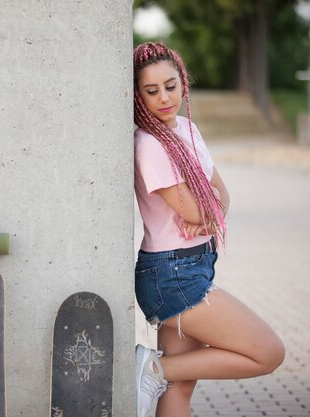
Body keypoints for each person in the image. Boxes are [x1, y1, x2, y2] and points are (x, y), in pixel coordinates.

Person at [132, 42, 285, 417]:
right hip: (172, 275)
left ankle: (157, 372)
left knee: (178, 391)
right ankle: (151, 366)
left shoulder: (188, 128)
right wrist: (207, 207)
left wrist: (208, 207)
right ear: (138, 96)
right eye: (151, 91)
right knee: (268, 352)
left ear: (183, 83)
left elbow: (221, 197)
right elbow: (198, 208)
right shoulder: (149, 145)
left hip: (193, 264)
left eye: (171, 86)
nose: (164, 98)